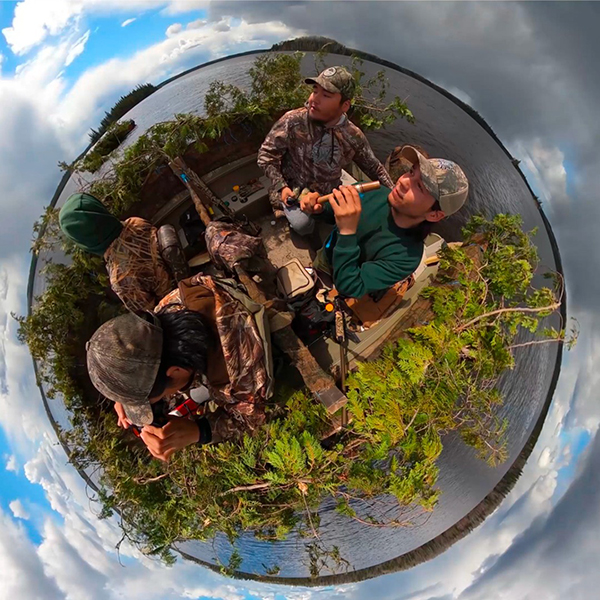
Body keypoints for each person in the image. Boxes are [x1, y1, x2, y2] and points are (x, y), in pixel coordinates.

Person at [86, 274, 273, 461]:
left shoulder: (236, 371)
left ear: (175, 372)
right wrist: (126, 394)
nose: (158, 401)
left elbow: (254, 418)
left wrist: (199, 432)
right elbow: (149, 359)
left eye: (157, 397)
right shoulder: (167, 312)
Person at [301, 145, 469, 299]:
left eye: (419, 186)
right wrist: (319, 209)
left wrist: (347, 231)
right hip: (324, 257)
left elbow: (351, 287)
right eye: (411, 172)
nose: (403, 181)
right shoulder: (374, 192)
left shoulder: (407, 257)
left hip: (338, 284)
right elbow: (330, 214)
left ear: (434, 215)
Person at [257, 65, 393, 237]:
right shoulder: (293, 121)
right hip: (294, 190)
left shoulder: (352, 135)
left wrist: (395, 196)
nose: (315, 99)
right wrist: (281, 187)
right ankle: (284, 209)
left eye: (326, 95)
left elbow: (375, 169)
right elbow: (265, 155)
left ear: (344, 105)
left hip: (328, 193)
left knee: (346, 220)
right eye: (315, 90)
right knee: (303, 226)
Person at [59, 193, 174, 312]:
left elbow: (152, 318)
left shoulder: (120, 279)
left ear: (83, 242)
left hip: (180, 303)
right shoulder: (136, 223)